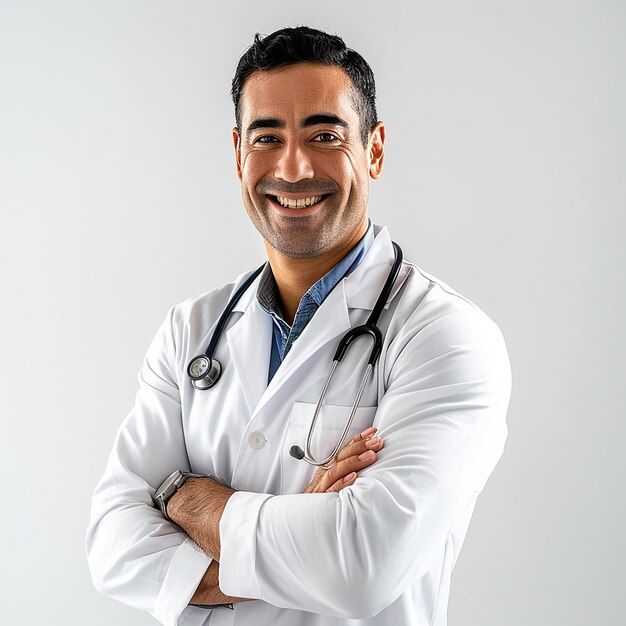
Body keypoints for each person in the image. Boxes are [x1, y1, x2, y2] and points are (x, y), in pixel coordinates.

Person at [86, 26, 511, 626]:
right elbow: (112, 544)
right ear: (238, 154)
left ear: (375, 150)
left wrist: (194, 502)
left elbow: (361, 569)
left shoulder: (444, 337)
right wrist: (300, 537)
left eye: (325, 134)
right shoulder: (191, 330)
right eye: (268, 137)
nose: (293, 166)